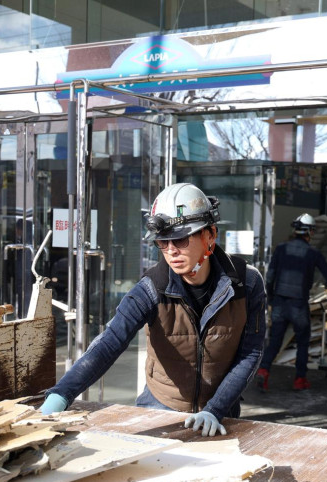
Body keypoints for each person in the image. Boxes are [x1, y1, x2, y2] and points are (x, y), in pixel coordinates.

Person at [38, 183, 267, 437]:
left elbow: (251, 352)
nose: (171, 251)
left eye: (180, 239)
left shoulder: (246, 283)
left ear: (210, 235)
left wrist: (215, 409)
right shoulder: (151, 288)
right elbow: (110, 342)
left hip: (220, 413)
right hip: (160, 408)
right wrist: (61, 394)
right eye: (163, 242)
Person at [256, 213, 327, 393]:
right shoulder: (313, 253)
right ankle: (300, 379)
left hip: (279, 301)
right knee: (303, 341)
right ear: (309, 231)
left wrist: (270, 298)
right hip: (299, 304)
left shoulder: (281, 248)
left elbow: (270, 277)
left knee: (275, 341)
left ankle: (264, 370)